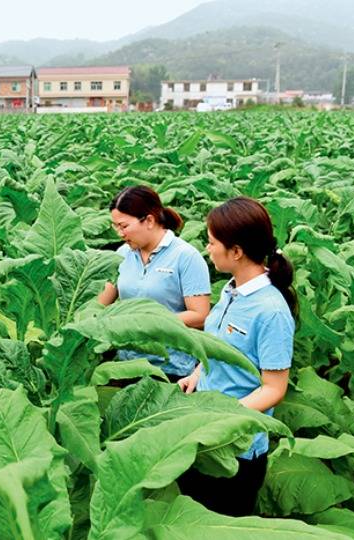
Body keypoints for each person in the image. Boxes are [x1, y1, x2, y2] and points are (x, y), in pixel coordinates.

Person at [177, 196, 297, 517]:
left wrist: (223, 414)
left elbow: (274, 388)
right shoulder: (230, 290)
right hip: (203, 431)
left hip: (236, 448)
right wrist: (197, 373)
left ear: (237, 251)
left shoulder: (271, 310)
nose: (207, 248)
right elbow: (218, 344)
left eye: (212, 241)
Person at [98, 186, 211, 381]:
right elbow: (100, 303)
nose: (119, 233)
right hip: (126, 363)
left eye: (124, 226)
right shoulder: (122, 254)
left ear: (149, 220)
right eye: (115, 226)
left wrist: (147, 323)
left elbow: (200, 315)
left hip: (171, 368)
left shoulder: (186, 256)